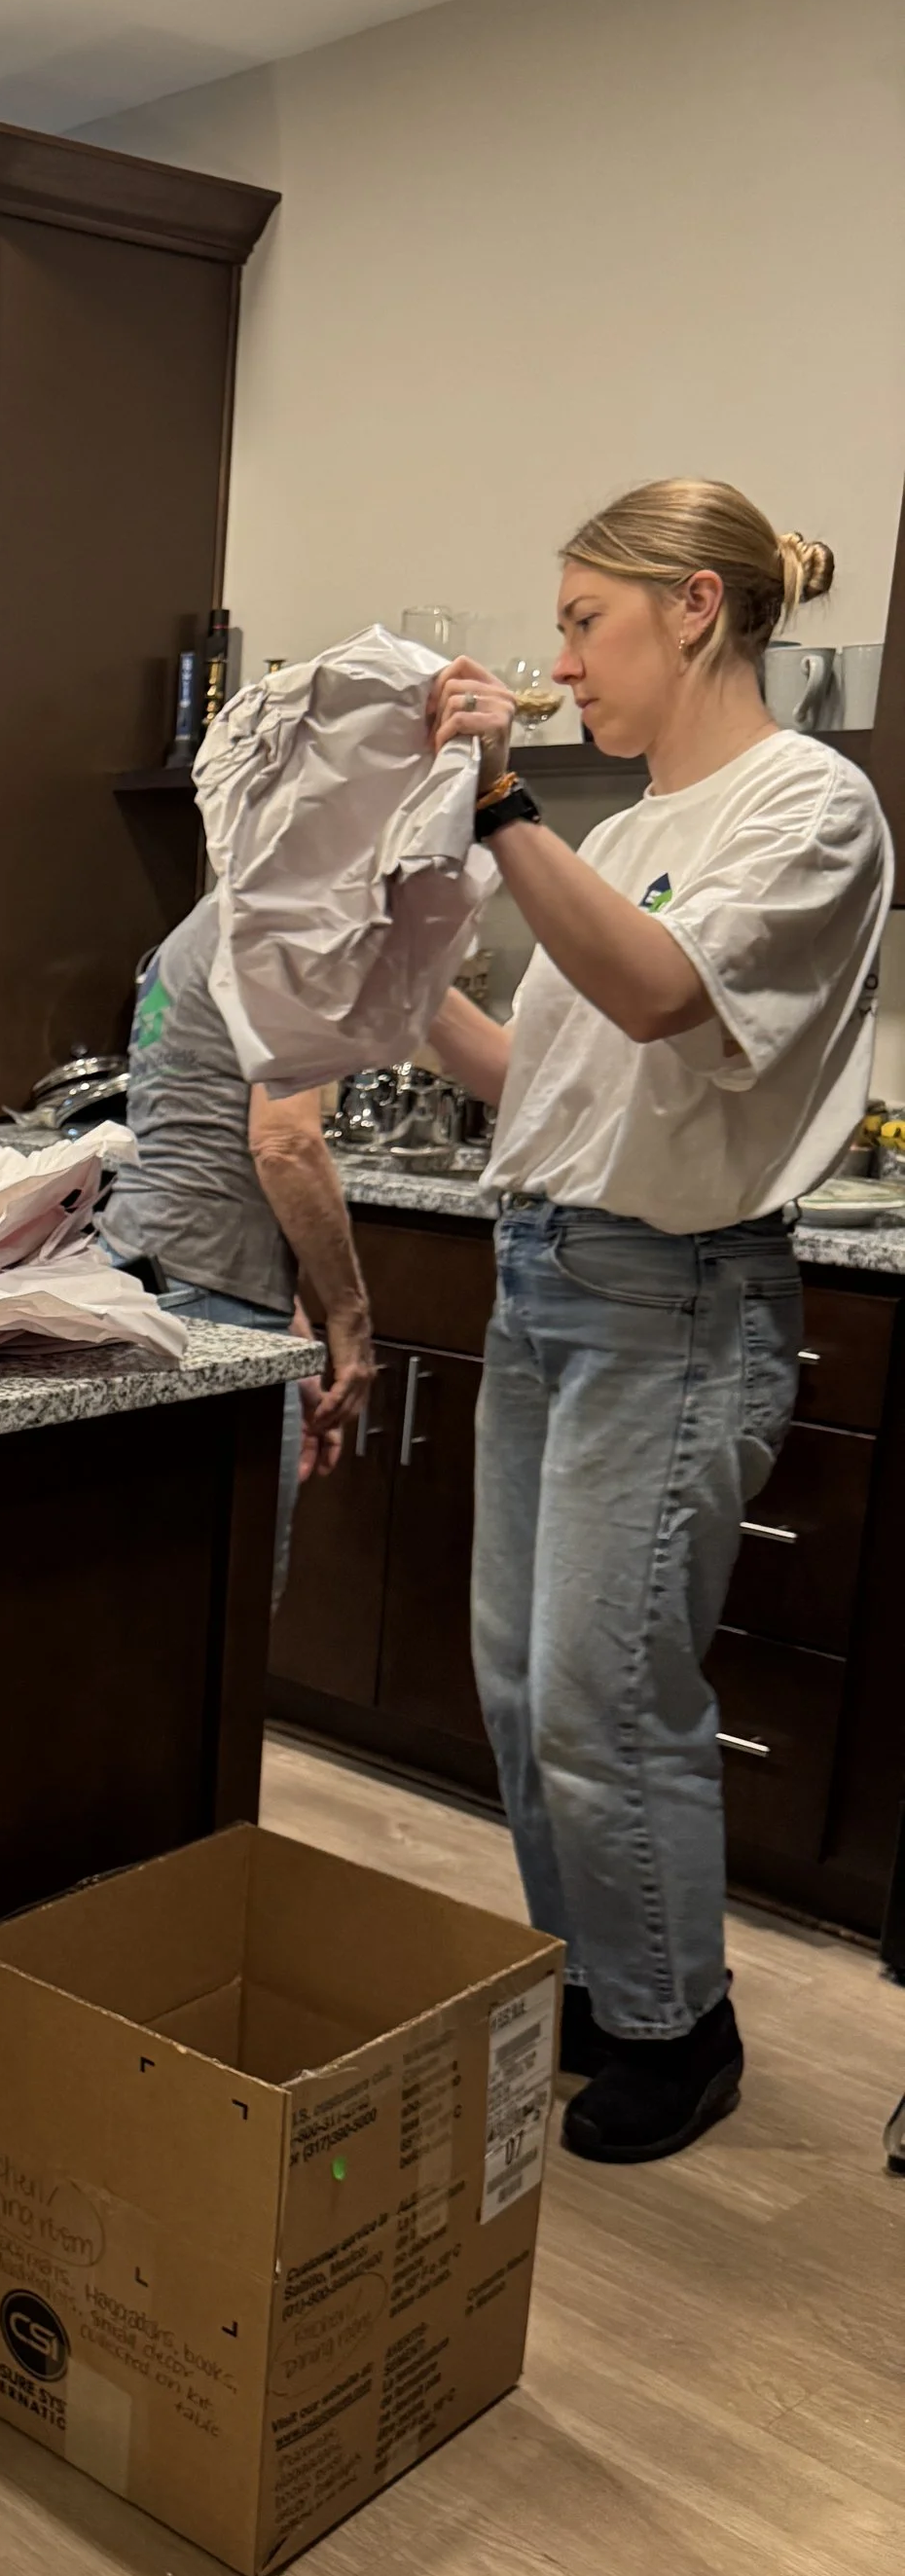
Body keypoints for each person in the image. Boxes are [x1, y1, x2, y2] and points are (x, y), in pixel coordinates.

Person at [420, 480, 889, 2164]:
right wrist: (397, 986)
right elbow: (532, 1070)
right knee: (517, 1681)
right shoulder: (614, 837)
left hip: (675, 1301)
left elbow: (659, 994)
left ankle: (679, 2027)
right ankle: (607, 1981)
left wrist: (497, 806)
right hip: (546, 1276)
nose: (560, 660)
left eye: (581, 622)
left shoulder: (809, 807)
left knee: (607, 1694)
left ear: (696, 607)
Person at [98, 891, 379, 1598]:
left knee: (160, 1609)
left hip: (145, 1271)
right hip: (206, 1303)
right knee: (221, 1614)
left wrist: (289, 1324)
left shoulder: (201, 924)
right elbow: (283, 1143)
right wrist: (347, 1317)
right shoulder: (287, 925)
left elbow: (198, 1123)